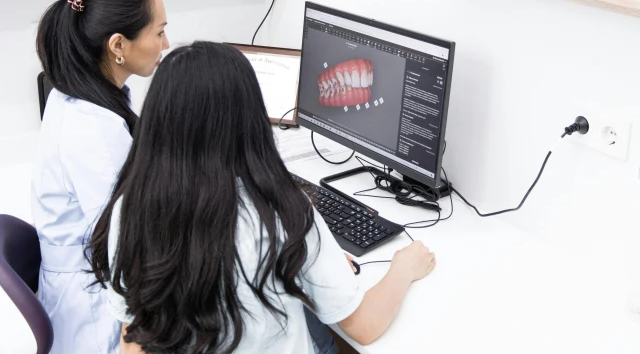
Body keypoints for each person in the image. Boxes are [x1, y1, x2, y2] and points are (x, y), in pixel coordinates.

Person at [89, 41, 436, 354]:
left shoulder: (130, 208)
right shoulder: (284, 212)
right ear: (249, 119)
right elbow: (363, 327)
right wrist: (402, 270)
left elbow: (132, 339)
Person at [32, 0, 170, 354]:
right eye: (158, 32)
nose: (166, 43)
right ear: (118, 45)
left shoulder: (83, 95)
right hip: (96, 318)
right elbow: (127, 245)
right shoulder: (93, 130)